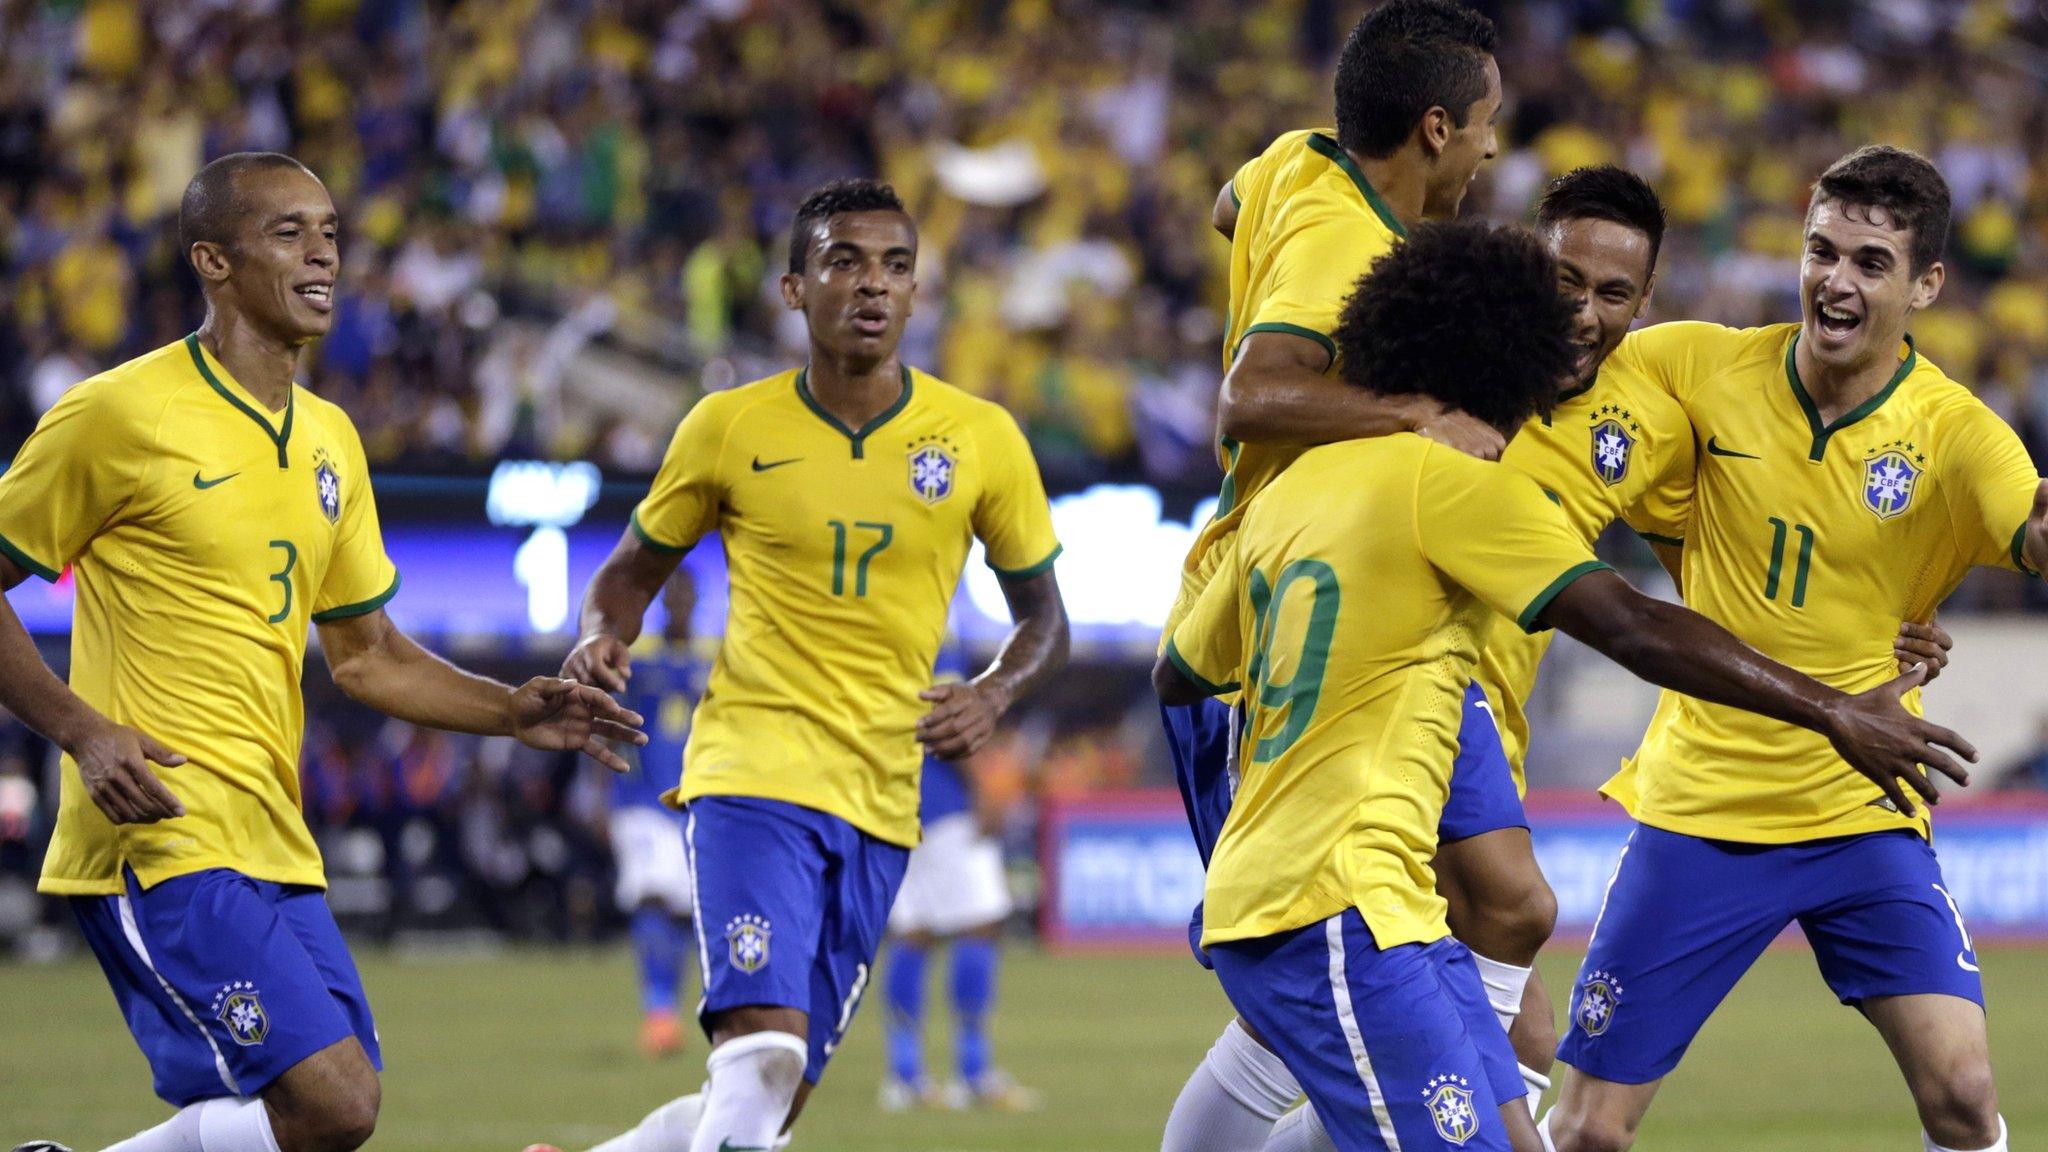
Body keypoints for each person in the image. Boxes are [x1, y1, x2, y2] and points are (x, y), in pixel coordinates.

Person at [1153, 218, 1976, 1152]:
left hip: (1366, 897)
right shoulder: (1454, 485)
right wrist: (1830, 708)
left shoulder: (1293, 491)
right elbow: (1631, 623)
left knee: (1507, 1116)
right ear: (1506, 358)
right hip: (1342, 900)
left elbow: (1180, 672)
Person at [0, 152, 645, 1152]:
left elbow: (369, 654)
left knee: (327, 1120)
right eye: (289, 233)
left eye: (331, 232)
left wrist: (514, 712)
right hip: (159, 826)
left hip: (273, 833)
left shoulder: (332, 441)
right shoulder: (117, 415)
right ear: (213, 262)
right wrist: (84, 732)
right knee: (329, 1099)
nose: (323, 255)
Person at [1542, 146, 2045, 1152]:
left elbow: (2026, 527)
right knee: (1590, 1128)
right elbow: (1574, 367)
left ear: (1925, 284)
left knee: (1960, 1089)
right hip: (1700, 812)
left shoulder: (1954, 433)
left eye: (1868, 262)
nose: (1834, 281)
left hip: (1858, 809)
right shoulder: (1694, 367)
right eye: (1820, 251)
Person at [558, 179, 1070, 1152]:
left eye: (894, 265)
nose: (872, 284)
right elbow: (626, 577)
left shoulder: (981, 439)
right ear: (794, 289)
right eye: (844, 261)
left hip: (881, 798)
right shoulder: (727, 426)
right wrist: (597, 635)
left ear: (917, 293)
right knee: (762, 1058)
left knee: (769, 1100)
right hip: (750, 776)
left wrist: (996, 690)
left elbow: (1044, 619)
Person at [1159, 6, 1535, 1149]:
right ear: (1431, 128)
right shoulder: (1340, 245)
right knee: (1333, 950)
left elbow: (1231, 207)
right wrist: (1410, 411)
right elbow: (1249, 394)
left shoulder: (1289, 164)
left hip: (1373, 585)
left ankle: (1487, 1119)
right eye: (1483, 128)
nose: (1488, 151)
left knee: (1503, 907)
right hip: (1272, 616)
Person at [879, 643, 1037, 1113]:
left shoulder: (880, 631)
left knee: (915, 932)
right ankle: (973, 1072)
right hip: (944, 804)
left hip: (897, 802)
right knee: (979, 923)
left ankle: (905, 1075)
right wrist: (984, 786)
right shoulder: (928, 633)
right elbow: (946, 718)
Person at [610, 568, 712, 1059]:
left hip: (699, 805)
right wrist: (602, 794)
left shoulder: (718, 658)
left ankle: (670, 1012)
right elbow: (608, 725)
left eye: (686, 594)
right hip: (644, 803)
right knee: (651, 897)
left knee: (687, 912)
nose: (679, 603)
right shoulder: (638, 657)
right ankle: (658, 1012)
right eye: (671, 594)